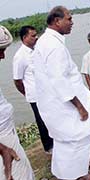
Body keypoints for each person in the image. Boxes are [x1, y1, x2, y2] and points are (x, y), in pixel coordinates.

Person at [32, 6, 90, 180]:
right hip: (65, 106)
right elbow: (59, 80)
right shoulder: (53, 46)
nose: (72, 22)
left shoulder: (47, 41)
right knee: (79, 139)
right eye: (69, 18)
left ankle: (75, 174)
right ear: (57, 21)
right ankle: (78, 176)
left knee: (64, 144)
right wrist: (80, 107)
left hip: (55, 106)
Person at [0, 25, 35, 180]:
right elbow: (18, 81)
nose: (3, 56)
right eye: (0, 50)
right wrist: (3, 149)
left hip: (9, 138)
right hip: (4, 144)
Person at [13, 25, 53, 154]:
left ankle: (56, 141)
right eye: (33, 36)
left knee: (51, 117)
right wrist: (27, 93)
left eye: (37, 35)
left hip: (46, 92)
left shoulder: (37, 50)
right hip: (35, 96)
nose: (36, 38)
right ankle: (48, 147)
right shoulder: (20, 56)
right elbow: (17, 81)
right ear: (25, 38)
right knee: (41, 121)